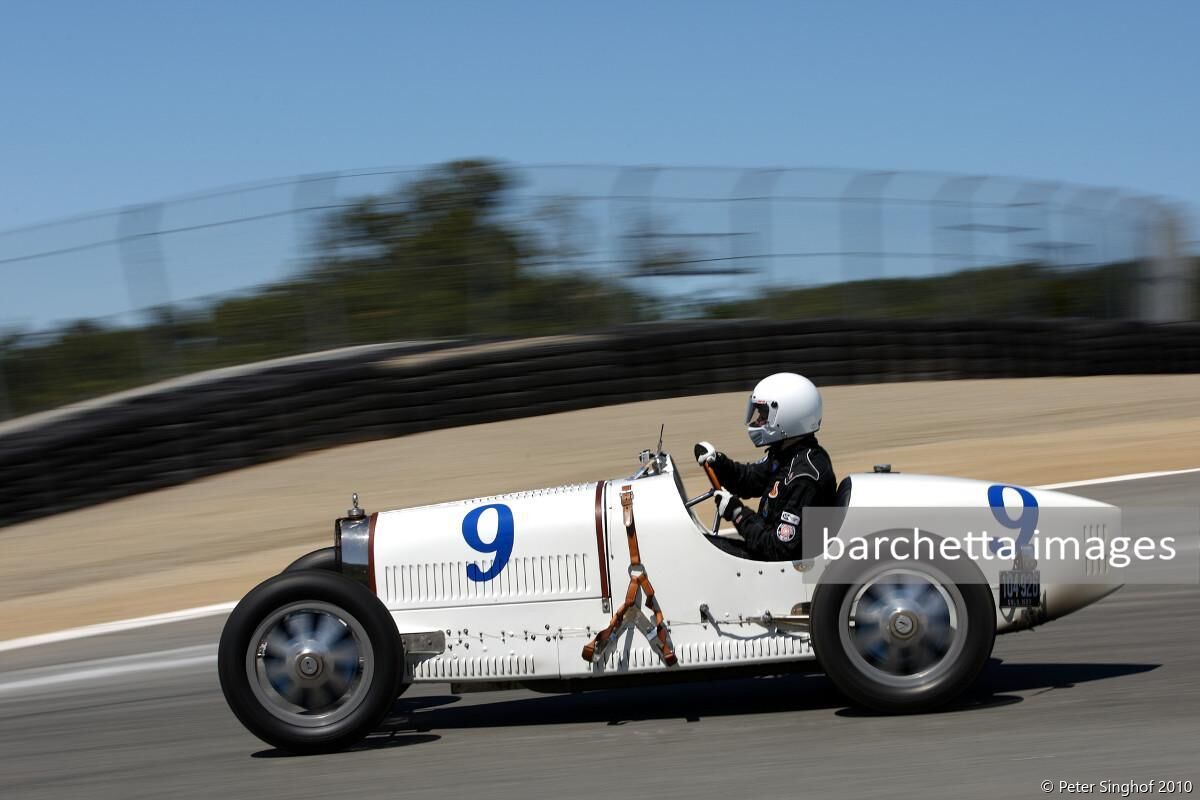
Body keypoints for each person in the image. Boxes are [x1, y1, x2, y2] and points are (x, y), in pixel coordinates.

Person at [694, 372, 837, 561]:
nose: (758, 421)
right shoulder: (786, 454)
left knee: (701, 556)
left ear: (788, 416)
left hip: (782, 567)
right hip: (767, 553)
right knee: (702, 546)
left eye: (764, 414)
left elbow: (778, 549)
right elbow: (749, 479)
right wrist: (718, 463)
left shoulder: (804, 478)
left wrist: (738, 514)